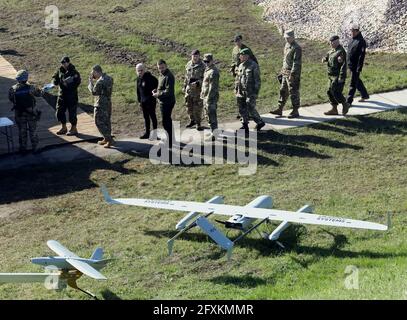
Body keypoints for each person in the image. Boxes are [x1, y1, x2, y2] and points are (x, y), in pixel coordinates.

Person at [8, 70, 43, 154]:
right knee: (33, 131)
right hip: (31, 113)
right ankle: (35, 148)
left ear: (17, 79)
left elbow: (11, 99)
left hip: (19, 113)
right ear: (26, 78)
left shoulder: (12, 89)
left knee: (22, 131)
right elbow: (39, 94)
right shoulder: (31, 87)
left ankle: (23, 149)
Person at [270, 30, 302, 118]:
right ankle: (280, 109)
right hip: (285, 71)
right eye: (285, 38)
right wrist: (282, 70)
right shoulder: (287, 45)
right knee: (283, 90)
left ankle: (295, 111)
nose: (286, 39)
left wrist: (292, 74)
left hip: (292, 73)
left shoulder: (296, 48)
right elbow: (285, 59)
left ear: (293, 37)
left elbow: (296, 63)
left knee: (293, 92)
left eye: (288, 38)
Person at [235, 48, 265, 132]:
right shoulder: (241, 65)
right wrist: (236, 89)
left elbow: (257, 81)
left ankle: (260, 122)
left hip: (250, 92)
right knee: (242, 109)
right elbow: (238, 79)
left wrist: (255, 93)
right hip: (241, 91)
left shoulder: (253, 65)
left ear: (247, 56)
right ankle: (244, 125)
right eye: (240, 55)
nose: (240, 57)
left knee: (251, 108)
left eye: (242, 55)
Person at [230, 34, 258, 119]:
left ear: (241, 40)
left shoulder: (246, 50)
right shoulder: (235, 49)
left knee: (246, 94)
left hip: (246, 73)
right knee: (239, 93)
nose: (237, 43)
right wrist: (232, 68)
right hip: (238, 73)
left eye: (238, 41)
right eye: (235, 41)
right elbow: (233, 60)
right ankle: (242, 112)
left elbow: (253, 60)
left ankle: (249, 113)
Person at [52, 56, 81, 135]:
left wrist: (67, 84)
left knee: (72, 113)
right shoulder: (60, 70)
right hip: (61, 95)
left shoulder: (74, 72)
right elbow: (55, 79)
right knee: (59, 111)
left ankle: (74, 128)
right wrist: (55, 81)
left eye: (64, 63)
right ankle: (63, 127)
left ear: (68, 62)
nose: (63, 64)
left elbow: (77, 83)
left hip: (71, 96)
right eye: (62, 63)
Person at [88, 65, 114, 148]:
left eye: (93, 73)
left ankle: (109, 139)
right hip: (108, 103)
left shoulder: (100, 81)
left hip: (100, 104)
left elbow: (94, 92)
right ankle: (106, 138)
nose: (93, 74)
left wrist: (91, 82)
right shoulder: (109, 78)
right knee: (107, 122)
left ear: (96, 72)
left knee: (98, 121)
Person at [322, 35, 350, 115]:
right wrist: (325, 59)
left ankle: (345, 103)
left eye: (332, 42)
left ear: (337, 42)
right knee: (329, 91)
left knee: (335, 91)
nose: (331, 44)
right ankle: (334, 109)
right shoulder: (332, 51)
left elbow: (344, 65)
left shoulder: (341, 52)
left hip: (337, 76)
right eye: (330, 42)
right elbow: (328, 56)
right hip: (330, 76)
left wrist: (341, 77)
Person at [152, 59, 176, 148]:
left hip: (167, 102)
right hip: (163, 101)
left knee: (166, 122)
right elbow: (161, 87)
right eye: (159, 68)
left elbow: (168, 91)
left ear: (166, 65)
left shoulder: (169, 76)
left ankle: (169, 142)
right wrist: (156, 90)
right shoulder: (161, 75)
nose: (161, 69)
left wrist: (158, 94)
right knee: (167, 120)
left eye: (162, 67)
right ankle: (172, 139)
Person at [347, 23, 369, 106]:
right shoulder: (352, 39)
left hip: (356, 66)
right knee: (357, 81)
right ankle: (365, 95)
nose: (351, 32)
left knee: (352, 84)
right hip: (351, 65)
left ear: (357, 31)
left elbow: (361, 56)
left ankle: (348, 102)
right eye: (351, 31)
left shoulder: (361, 41)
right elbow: (349, 52)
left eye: (353, 31)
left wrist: (359, 68)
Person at [183, 49, 205, 130]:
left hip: (198, 91)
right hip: (189, 90)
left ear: (199, 56)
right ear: (191, 56)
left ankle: (198, 123)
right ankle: (192, 120)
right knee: (189, 106)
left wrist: (198, 83)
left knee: (197, 107)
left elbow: (206, 79)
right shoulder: (188, 64)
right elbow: (186, 77)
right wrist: (184, 86)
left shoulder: (203, 66)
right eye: (193, 56)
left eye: (196, 56)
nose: (195, 58)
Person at [136, 63, 158, 139]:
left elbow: (157, 83)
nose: (140, 72)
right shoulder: (138, 79)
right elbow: (138, 91)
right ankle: (147, 133)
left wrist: (154, 93)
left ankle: (155, 134)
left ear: (144, 70)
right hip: (143, 102)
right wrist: (139, 101)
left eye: (141, 70)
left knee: (153, 117)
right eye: (138, 71)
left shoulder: (150, 78)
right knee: (146, 118)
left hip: (150, 101)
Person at [200, 53, 220, 141]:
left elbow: (213, 87)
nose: (206, 63)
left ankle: (214, 134)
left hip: (210, 98)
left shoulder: (213, 72)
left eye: (208, 61)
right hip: (206, 96)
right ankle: (213, 131)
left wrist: (208, 98)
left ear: (212, 61)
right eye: (204, 61)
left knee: (211, 115)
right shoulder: (208, 69)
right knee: (207, 115)